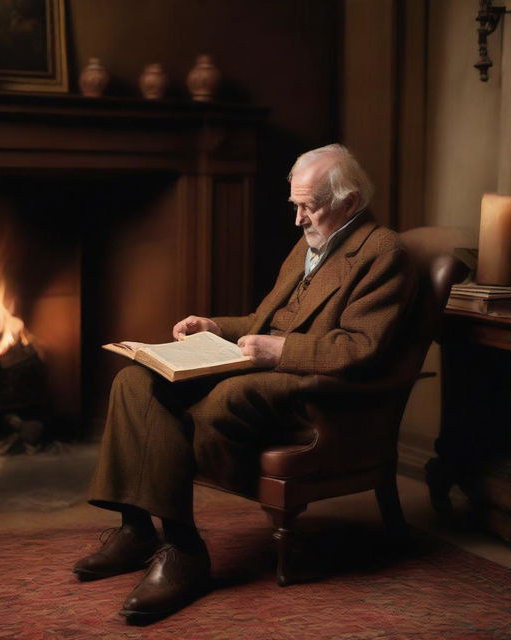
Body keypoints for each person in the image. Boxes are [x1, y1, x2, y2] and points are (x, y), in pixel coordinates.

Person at [73, 144, 416, 623]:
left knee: (220, 400)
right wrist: (215, 327)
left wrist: (281, 352)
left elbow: (361, 348)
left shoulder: (383, 252)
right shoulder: (311, 242)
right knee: (135, 380)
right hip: (258, 367)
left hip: (308, 387)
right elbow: (263, 320)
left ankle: (183, 552)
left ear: (350, 202)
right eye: (295, 205)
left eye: (307, 207)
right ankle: (137, 529)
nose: (297, 219)